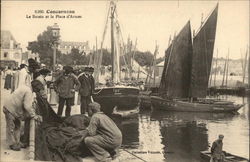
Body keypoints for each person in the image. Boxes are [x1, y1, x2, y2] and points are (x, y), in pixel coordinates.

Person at [3, 84, 42, 151]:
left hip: (13, 107)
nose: (37, 92)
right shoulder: (29, 92)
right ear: (35, 89)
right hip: (10, 108)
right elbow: (27, 106)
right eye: (37, 91)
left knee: (17, 125)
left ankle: (17, 142)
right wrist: (34, 115)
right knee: (11, 127)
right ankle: (12, 144)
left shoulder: (26, 87)